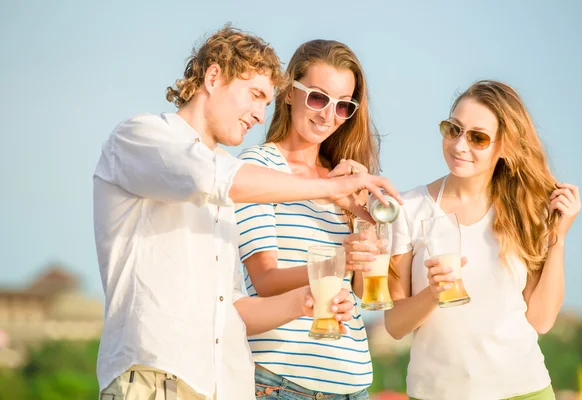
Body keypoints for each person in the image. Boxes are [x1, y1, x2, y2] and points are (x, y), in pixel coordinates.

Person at [93, 26, 401, 400]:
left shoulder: (226, 180)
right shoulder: (143, 135)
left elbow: (232, 304)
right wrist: (330, 190)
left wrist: (308, 299)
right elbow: (214, 178)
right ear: (213, 76)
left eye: (265, 102)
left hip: (221, 384)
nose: (258, 114)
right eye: (254, 95)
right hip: (157, 376)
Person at [384, 80, 581, 400]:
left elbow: (541, 320)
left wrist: (557, 239)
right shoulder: (408, 209)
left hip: (523, 391)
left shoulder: (526, 211)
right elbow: (394, 325)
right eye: (453, 129)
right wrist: (434, 294)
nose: (460, 145)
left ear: (504, 146)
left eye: (478, 137)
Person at [235, 39, 381, 399]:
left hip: (354, 384)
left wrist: (364, 214)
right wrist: (338, 263)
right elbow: (266, 281)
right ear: (288, 93)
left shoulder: (344, 180)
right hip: (282, 383)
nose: (327, 114)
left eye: (343, 106)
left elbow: (366, 291)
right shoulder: (258, 168)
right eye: (318, 97)